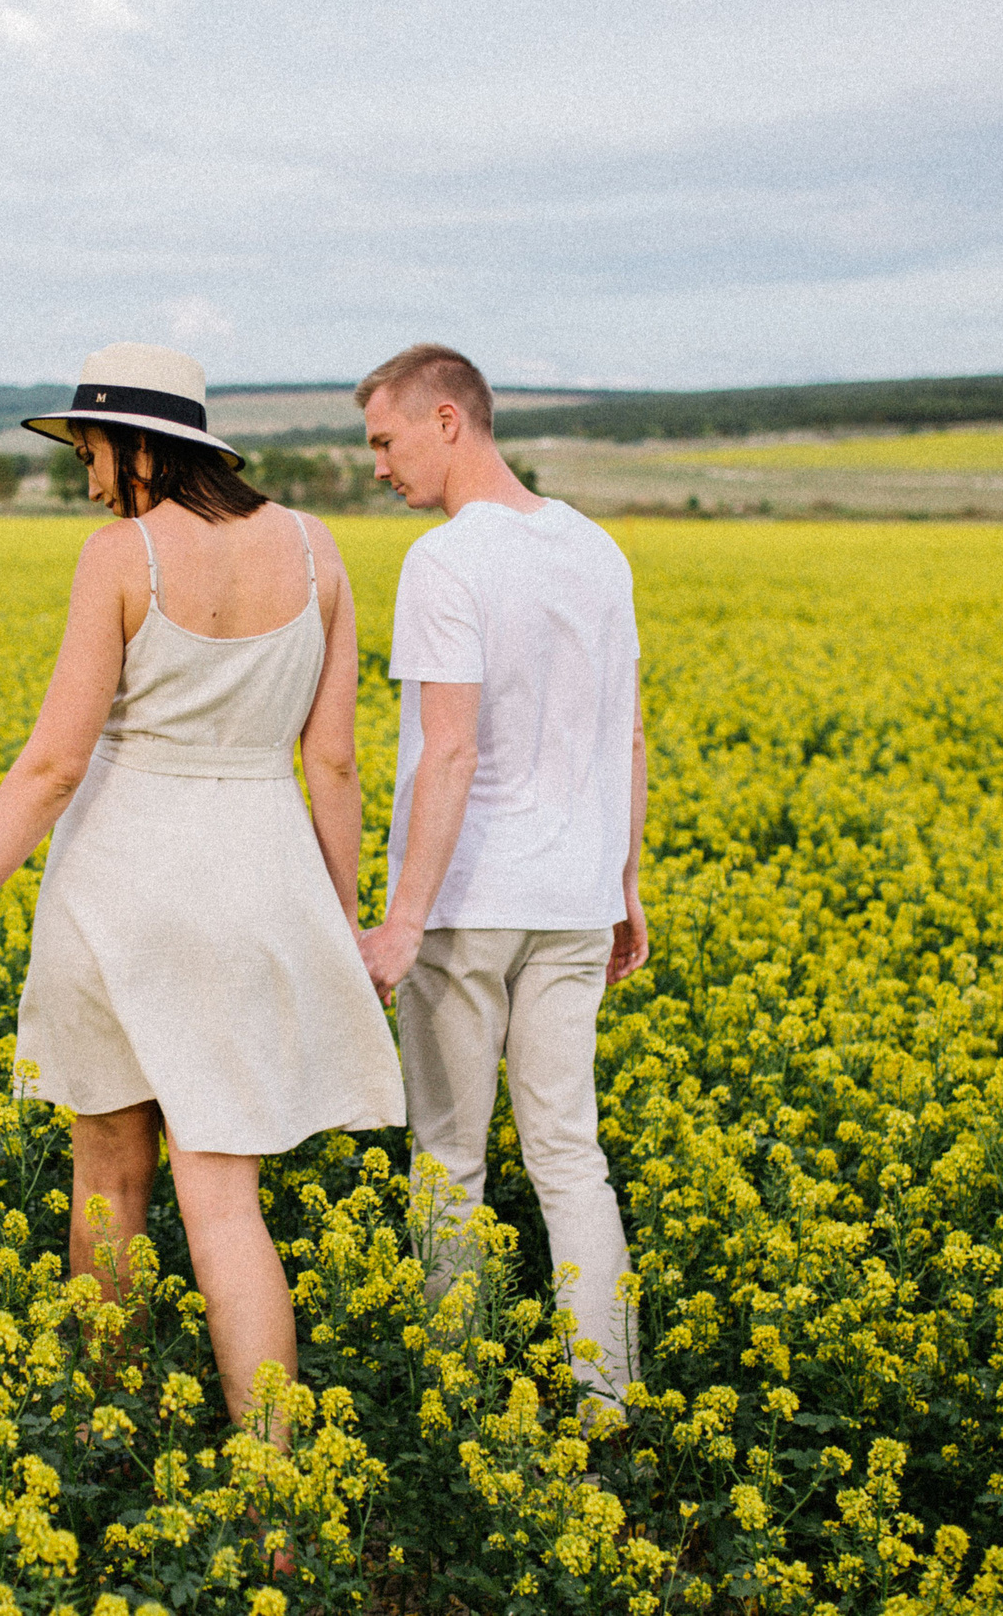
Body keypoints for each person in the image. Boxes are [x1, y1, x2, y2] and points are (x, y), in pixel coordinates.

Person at [0, 342, 403, 1432]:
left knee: (108, 1184)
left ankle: (103, 1438)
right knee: (225, 1205)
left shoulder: (120, 555)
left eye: (87, 446)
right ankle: (277, 1501)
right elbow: (338, 764)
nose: (83, 470)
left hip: (122, 890)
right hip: (260, 883)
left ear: (134, 444)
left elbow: (52, 767)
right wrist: (339, 924)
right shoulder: (317, 551)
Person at [353, 342, 650, 1410]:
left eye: (384, 440)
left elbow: (452, 752)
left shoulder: (445, 561)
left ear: (446, 421)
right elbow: (626, 735)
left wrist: (402, 922)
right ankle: (607, 1399)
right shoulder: (597, 550)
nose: (376, 467)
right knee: (571, 1156)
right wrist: (622, 884)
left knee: (449, 1158)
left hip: (473, 904)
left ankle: (461, 1393)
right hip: (572, 900)